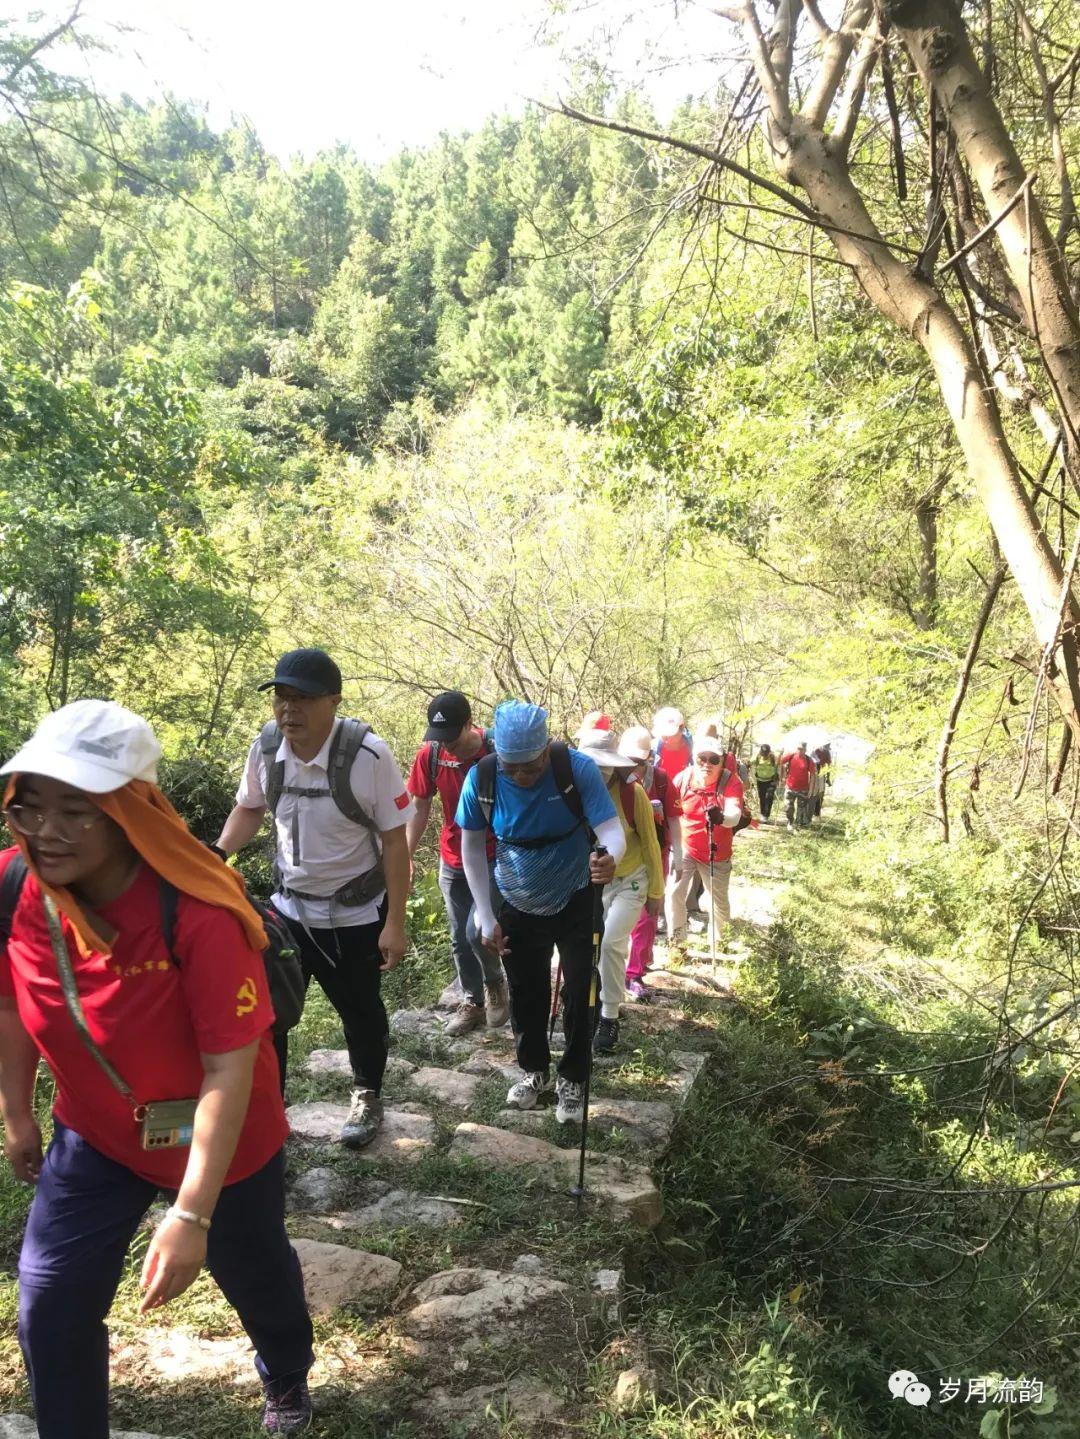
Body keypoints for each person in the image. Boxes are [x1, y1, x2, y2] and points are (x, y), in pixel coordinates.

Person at [0, 700, 315, 1437]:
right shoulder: (15, 887)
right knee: (50, 1297)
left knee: (254, 1271)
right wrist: (16, 1108)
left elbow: (228, 1068)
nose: (47, 830)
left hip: (223, 1139)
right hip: (96, 1136)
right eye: (29, 805)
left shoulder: (197, 909)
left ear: (130, 812)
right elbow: (13, 999)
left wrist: (192, 1212)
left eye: (77, 810)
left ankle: (287, 1373)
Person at [214, 648, 413, 1149]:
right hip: (288, 911)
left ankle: (367, 1094)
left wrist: (396, 922)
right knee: (270, 1015)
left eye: (302, 699)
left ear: (333, 702)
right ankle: (269, 1118)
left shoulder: (369, 755)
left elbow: (394, 840)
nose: (288, 710)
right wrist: (213, 856)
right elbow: (248, 811)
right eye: (281, 697)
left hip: (354, 912)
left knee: (360, 1009)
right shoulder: (265, 750)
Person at [455, 701, 624, 1124]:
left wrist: (610, 858)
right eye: (512, 767)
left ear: (546, 749)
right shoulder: (483, 778)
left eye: (529, 766)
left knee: (582, 989)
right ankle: (536, 1072)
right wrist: (485, 912)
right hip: (518, 901)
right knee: (526, 994)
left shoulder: (576, 769)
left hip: (576, 897)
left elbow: (610, 830)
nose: (521, 776)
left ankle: (573, 1077)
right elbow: (472, 847)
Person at [405, 691, 509, 1036]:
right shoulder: (432, 755)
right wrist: (405, 856)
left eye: (451, 735)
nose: (445, 744)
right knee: (458, 937)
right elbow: (419, 808)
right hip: (452, 857)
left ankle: (496, 984)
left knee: (476, 930)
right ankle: (473, 1002)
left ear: (469, 724)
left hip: (495, 855)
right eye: (438, 737)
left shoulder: (497, 752)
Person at [576, 729, 664, 1051]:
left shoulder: (632, 793)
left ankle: (609, 1017)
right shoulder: (575, 790)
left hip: (631, 879)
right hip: (593, 882)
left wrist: (656, 891)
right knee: (586, 946)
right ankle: (588, 1003)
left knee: (612, 943)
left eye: (604, 766)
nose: (599, 773)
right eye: (592, 765)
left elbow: (651, 843)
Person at [666, 732, 745, 957]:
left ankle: (720, 944)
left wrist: (722, 817)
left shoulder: (731, 781)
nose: (707, 764)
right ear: (693, 758)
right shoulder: (682, 779)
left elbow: (734, 815)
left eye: (714, 759)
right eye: (702, 758)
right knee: (674, 893)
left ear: (722, 762)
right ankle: (677, 945)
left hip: (716, 851)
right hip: (685, 846)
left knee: (717, 901)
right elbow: (671, 814)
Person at [618, 725, 682, 1001]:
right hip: (624, 855)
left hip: (658, 852)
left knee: (648, 912)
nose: (633, 766)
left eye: (639, 762)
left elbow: (673, 818)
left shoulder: (663, 780)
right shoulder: (611, 778)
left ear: (649, 759)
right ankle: (626, 965)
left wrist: (679, 852)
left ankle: (633, 972)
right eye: (628, 760)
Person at [780, 740, 816, 830]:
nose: (799, 750)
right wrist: (782, 777)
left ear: (805, 750)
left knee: (801, 809)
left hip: (803, 789)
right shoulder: (791, 756)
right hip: (790, 787)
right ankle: (790, 822)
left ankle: (797, 825)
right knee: (788, 807)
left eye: (801, 749)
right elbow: (780, 762)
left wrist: (811, 790)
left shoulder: (809, 760)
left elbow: (813, 775)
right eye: (798, 748)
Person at [652, 706, 693, 785]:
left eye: (670, 734)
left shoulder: (693, 748)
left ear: (682, 728)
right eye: (663, 734)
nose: (665, 737)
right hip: (661, 792)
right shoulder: (653, 749)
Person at [753, 744, 780, 821]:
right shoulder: (757, 757)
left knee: (769, 797)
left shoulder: (773, 758)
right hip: (760, 781)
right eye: (763, 752)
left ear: (769, 752)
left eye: (766, 753)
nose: (764, 754)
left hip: (771, 781)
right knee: (762, 798)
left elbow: (779, 766)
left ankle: (766, 815)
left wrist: (778, 778)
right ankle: (762, 814)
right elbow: (750, 763)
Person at [811, 742, 832, 819]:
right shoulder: (814, 750)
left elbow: (829, 765)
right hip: (813, 772)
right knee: (811, 793)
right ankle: (809, 811)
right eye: (827, 745)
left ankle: (816, 813)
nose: (828, 746)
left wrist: (828, 778)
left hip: (821, 773)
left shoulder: (827, 752)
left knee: (820, 793)